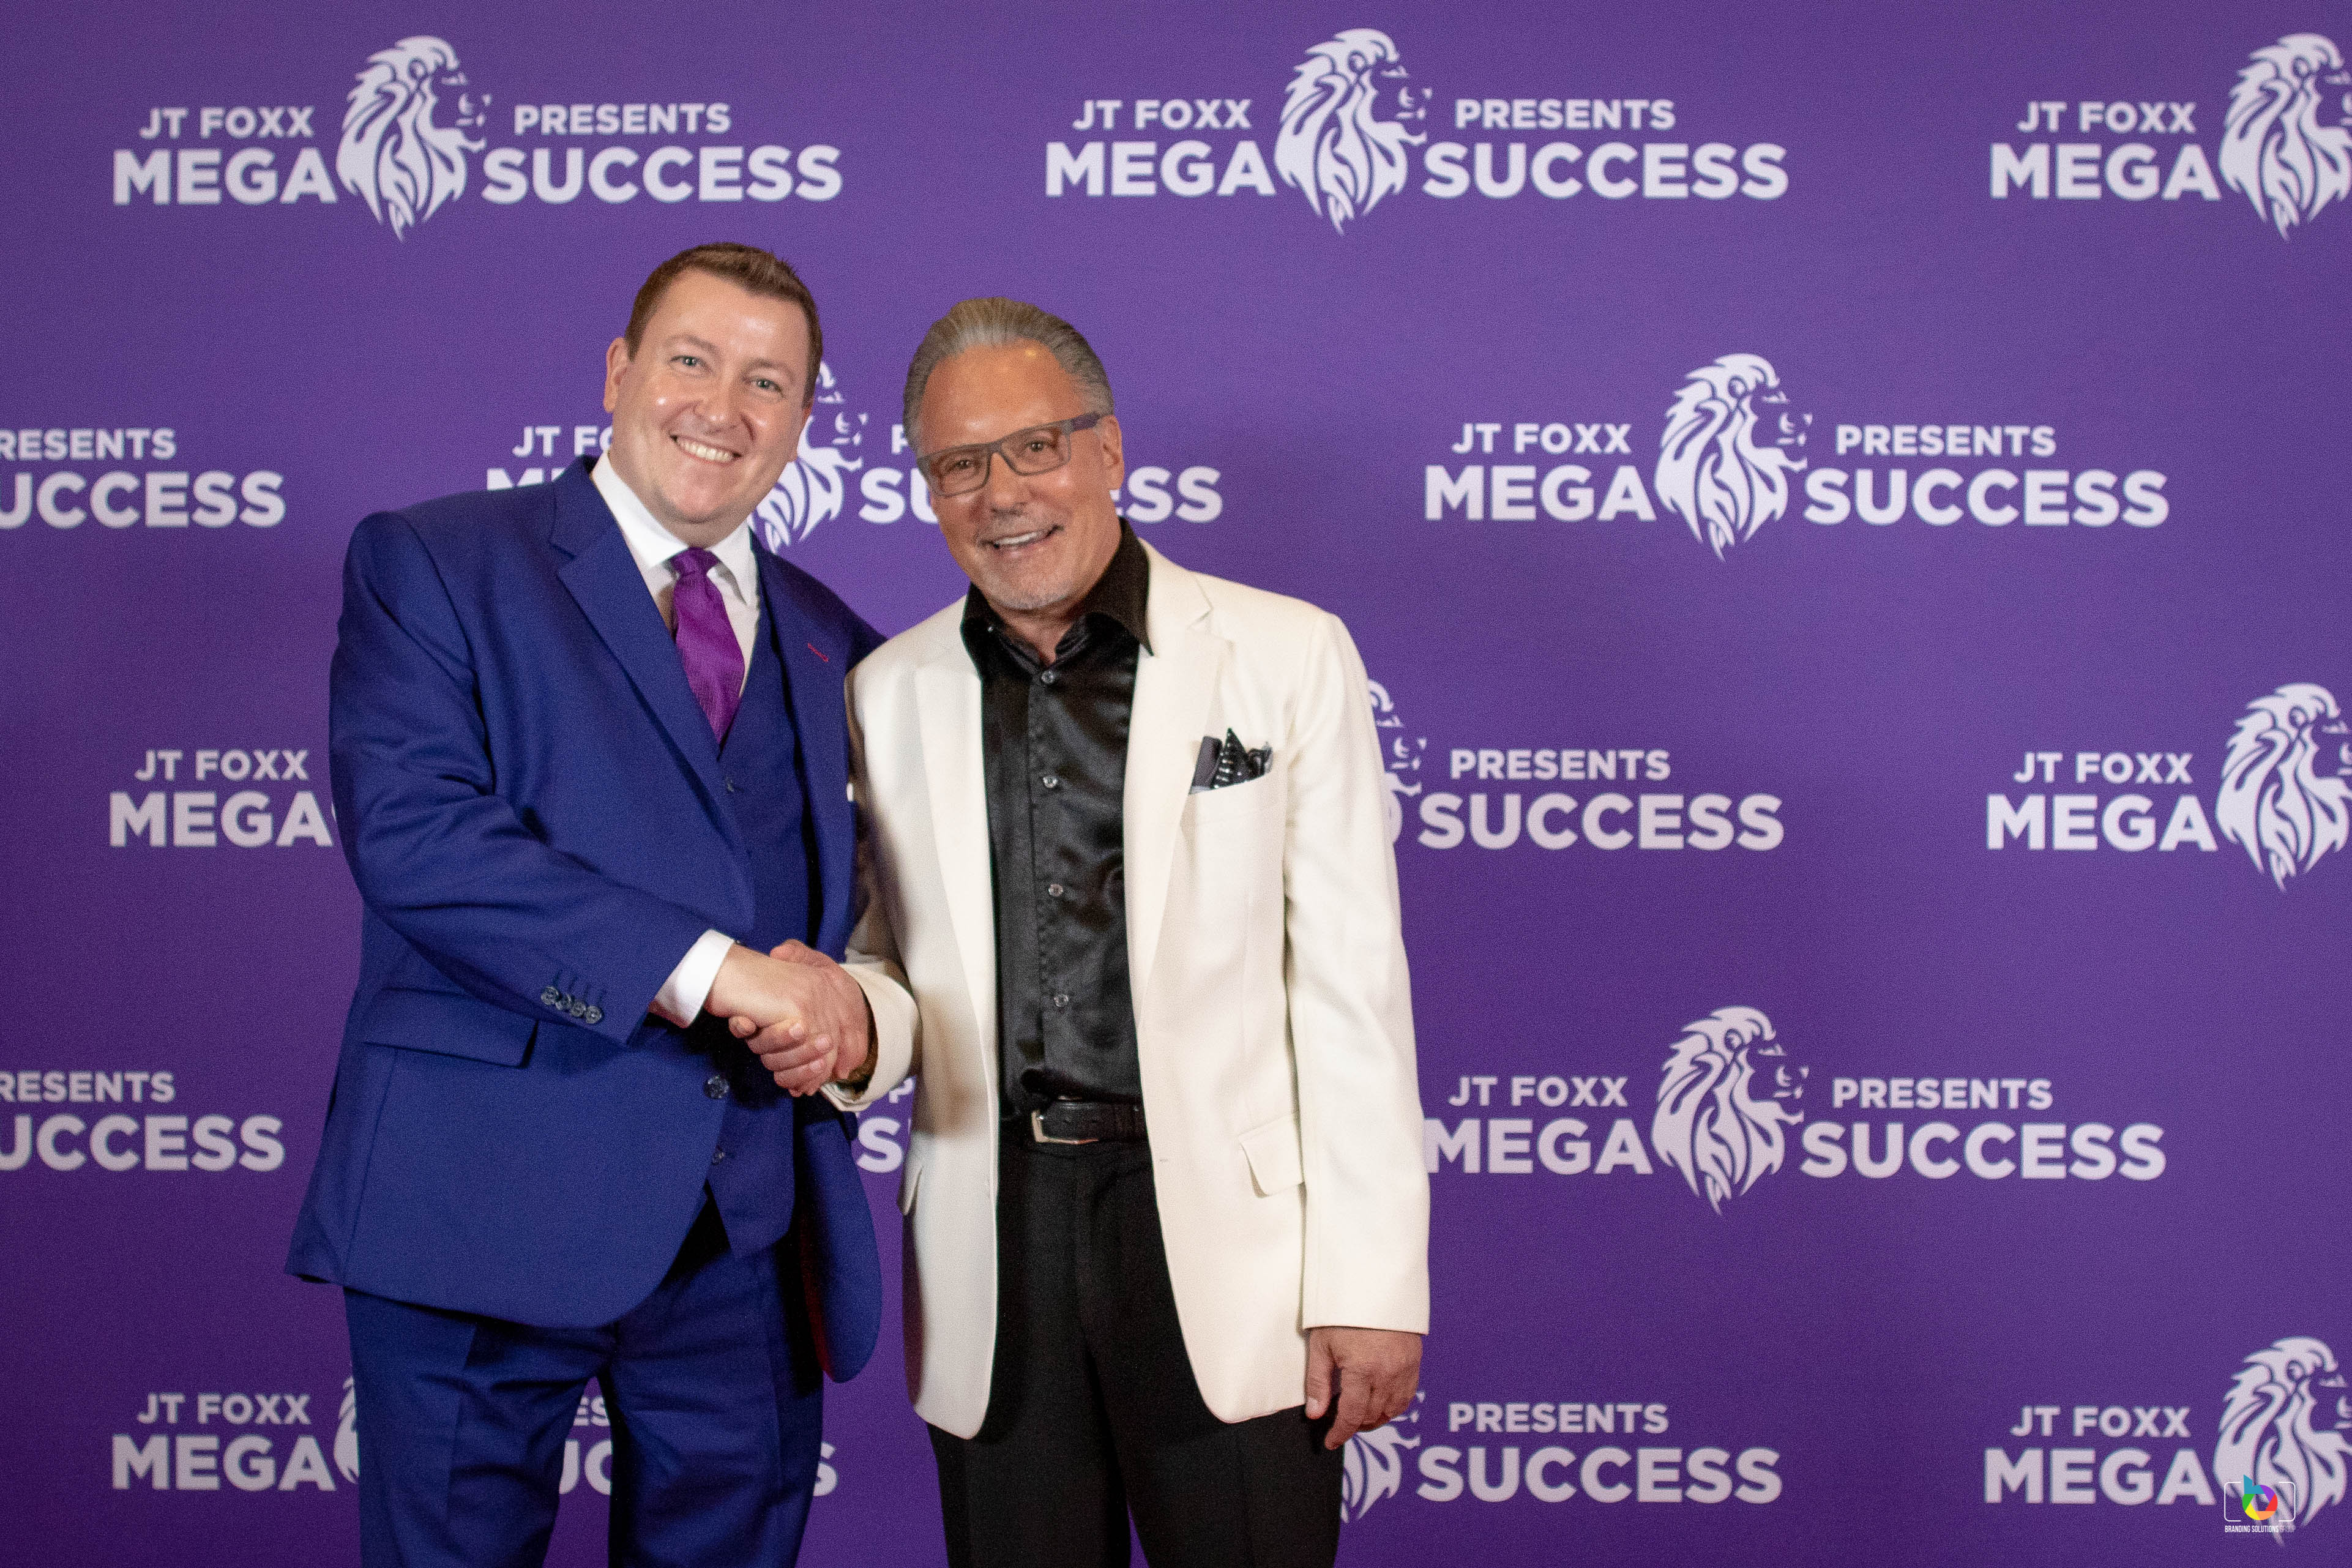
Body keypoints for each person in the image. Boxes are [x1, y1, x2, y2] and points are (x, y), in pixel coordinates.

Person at [285, 242, 914, 1568]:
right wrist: (719, 970)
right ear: (620, 371)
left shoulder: (836, 639)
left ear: (805, 418)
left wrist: (859, 1013)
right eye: (690, 361)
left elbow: (891, 912)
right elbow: (420, 841)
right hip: (476, 1207)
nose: (722, 408)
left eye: (767, 383)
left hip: (745, 1237)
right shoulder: (436, 561)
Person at [812, 297, 1428, 1566]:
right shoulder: (887, 690)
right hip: (994, 1239)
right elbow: (884, 963)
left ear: (1107, 450)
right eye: (959, 465)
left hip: (1232, 1248)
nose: (1001, 493)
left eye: (1034, 446)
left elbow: (1350, 991)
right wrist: (842, 1024)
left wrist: (1368, 1285)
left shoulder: (1285, 653)